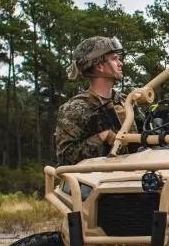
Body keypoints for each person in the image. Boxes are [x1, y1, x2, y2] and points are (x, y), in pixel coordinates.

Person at [54, 36, 137, 166]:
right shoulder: (75, 108)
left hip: (135, 176)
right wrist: (102, 137)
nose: (120, 63)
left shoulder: (126, 101)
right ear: (99, 66)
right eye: (114, 59)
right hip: (98, 182)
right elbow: (65, 157)